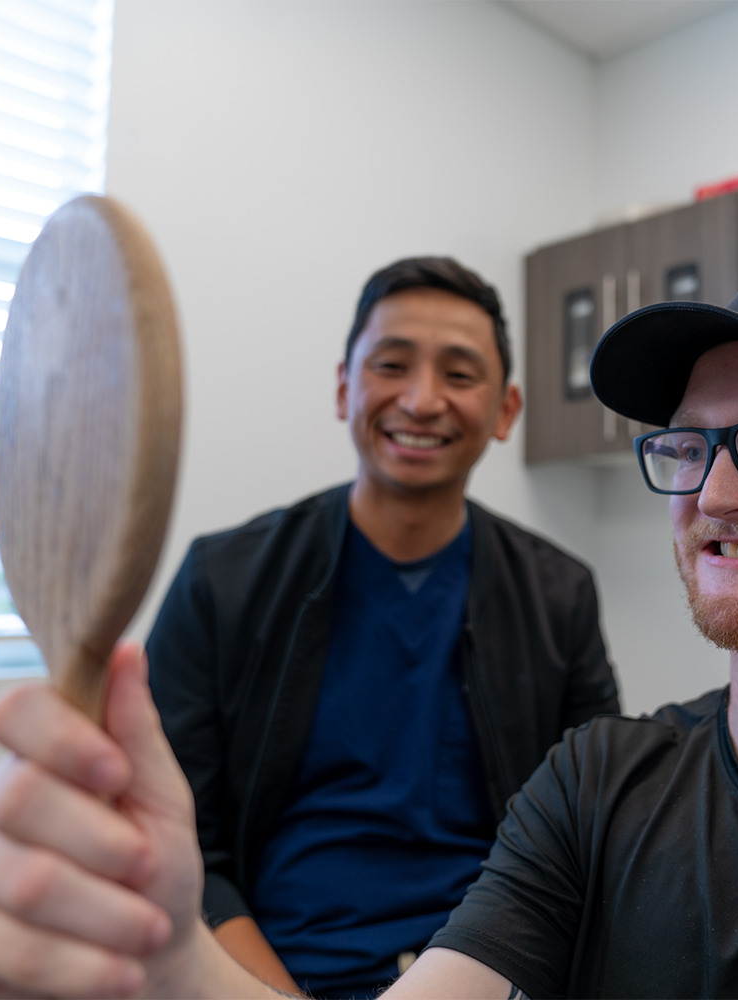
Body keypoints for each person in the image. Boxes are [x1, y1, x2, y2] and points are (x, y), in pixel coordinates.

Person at [0, 252, 738, 1000]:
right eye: (689, 445)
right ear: (343, 387)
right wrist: (171, 958)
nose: (716, 492)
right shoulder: (596, 789)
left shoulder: (553, 598)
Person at [142, 256, 621, 998]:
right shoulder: (221, 582)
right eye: (391, 365)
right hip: (264, 977)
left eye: (459, 375)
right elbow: (179, 845)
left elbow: (587, 833)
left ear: (505, 410)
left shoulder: (559, 595)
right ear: (344, 388)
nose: (422, 400)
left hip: (484, 971)